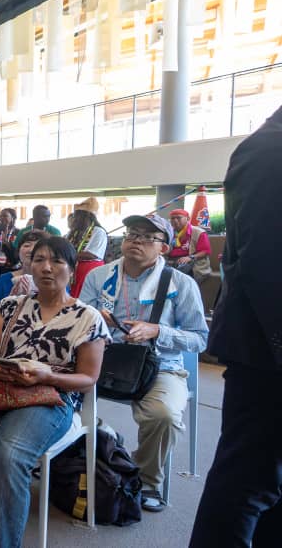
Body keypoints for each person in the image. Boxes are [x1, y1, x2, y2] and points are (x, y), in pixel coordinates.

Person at [0, 236, 109, 548]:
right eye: (39, 260)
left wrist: (48, 375)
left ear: (72, 270)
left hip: (51, 397)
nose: (46, 267)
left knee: (10, 456)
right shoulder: (11, 306)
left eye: (57, 261)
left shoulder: (88, 317)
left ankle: (2, 543)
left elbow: (88, 379)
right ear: (30, 266)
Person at [190, 105, 282, 547]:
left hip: (267, 352)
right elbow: (269, 267)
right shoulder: (270, 151)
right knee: (247, 484)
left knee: (268, 486)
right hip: (267, 357)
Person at [79, 214, 208, 512]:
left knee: (163, 415)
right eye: (132, 233)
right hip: (103, 358)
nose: (137, 240)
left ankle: (146, 480)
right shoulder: (99, 276)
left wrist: (158, 331)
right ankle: (96, 450)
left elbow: (200, 339)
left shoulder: (181, 284)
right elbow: (78, 320)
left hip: (159, 365)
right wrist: (96, 321)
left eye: (148, 237)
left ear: (164, 247)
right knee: (56, 395)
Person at [0, 230, 51, 320]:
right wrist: (11, 302)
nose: (31, 250)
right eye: (27, 245)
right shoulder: (5, 280)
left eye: (37, 246)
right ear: (19, 251)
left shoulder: (53, 280)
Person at [66, 198, 108, 297]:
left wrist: (66, 254)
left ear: (87, 216)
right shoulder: (73, 232)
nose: (75, 219)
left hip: (90, 271)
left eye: (77, 216)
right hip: (73, 270)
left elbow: (92, 254)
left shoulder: (98, 232)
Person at [166, 208, 212, 283]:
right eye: (172, 218)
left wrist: (190, 257)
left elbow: (205, 251)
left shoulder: (199, 232)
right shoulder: (169, 233)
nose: (175, 220)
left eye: (178, 218)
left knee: (180, 272)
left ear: (187, 218)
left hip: (192, 262)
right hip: (171, 261)